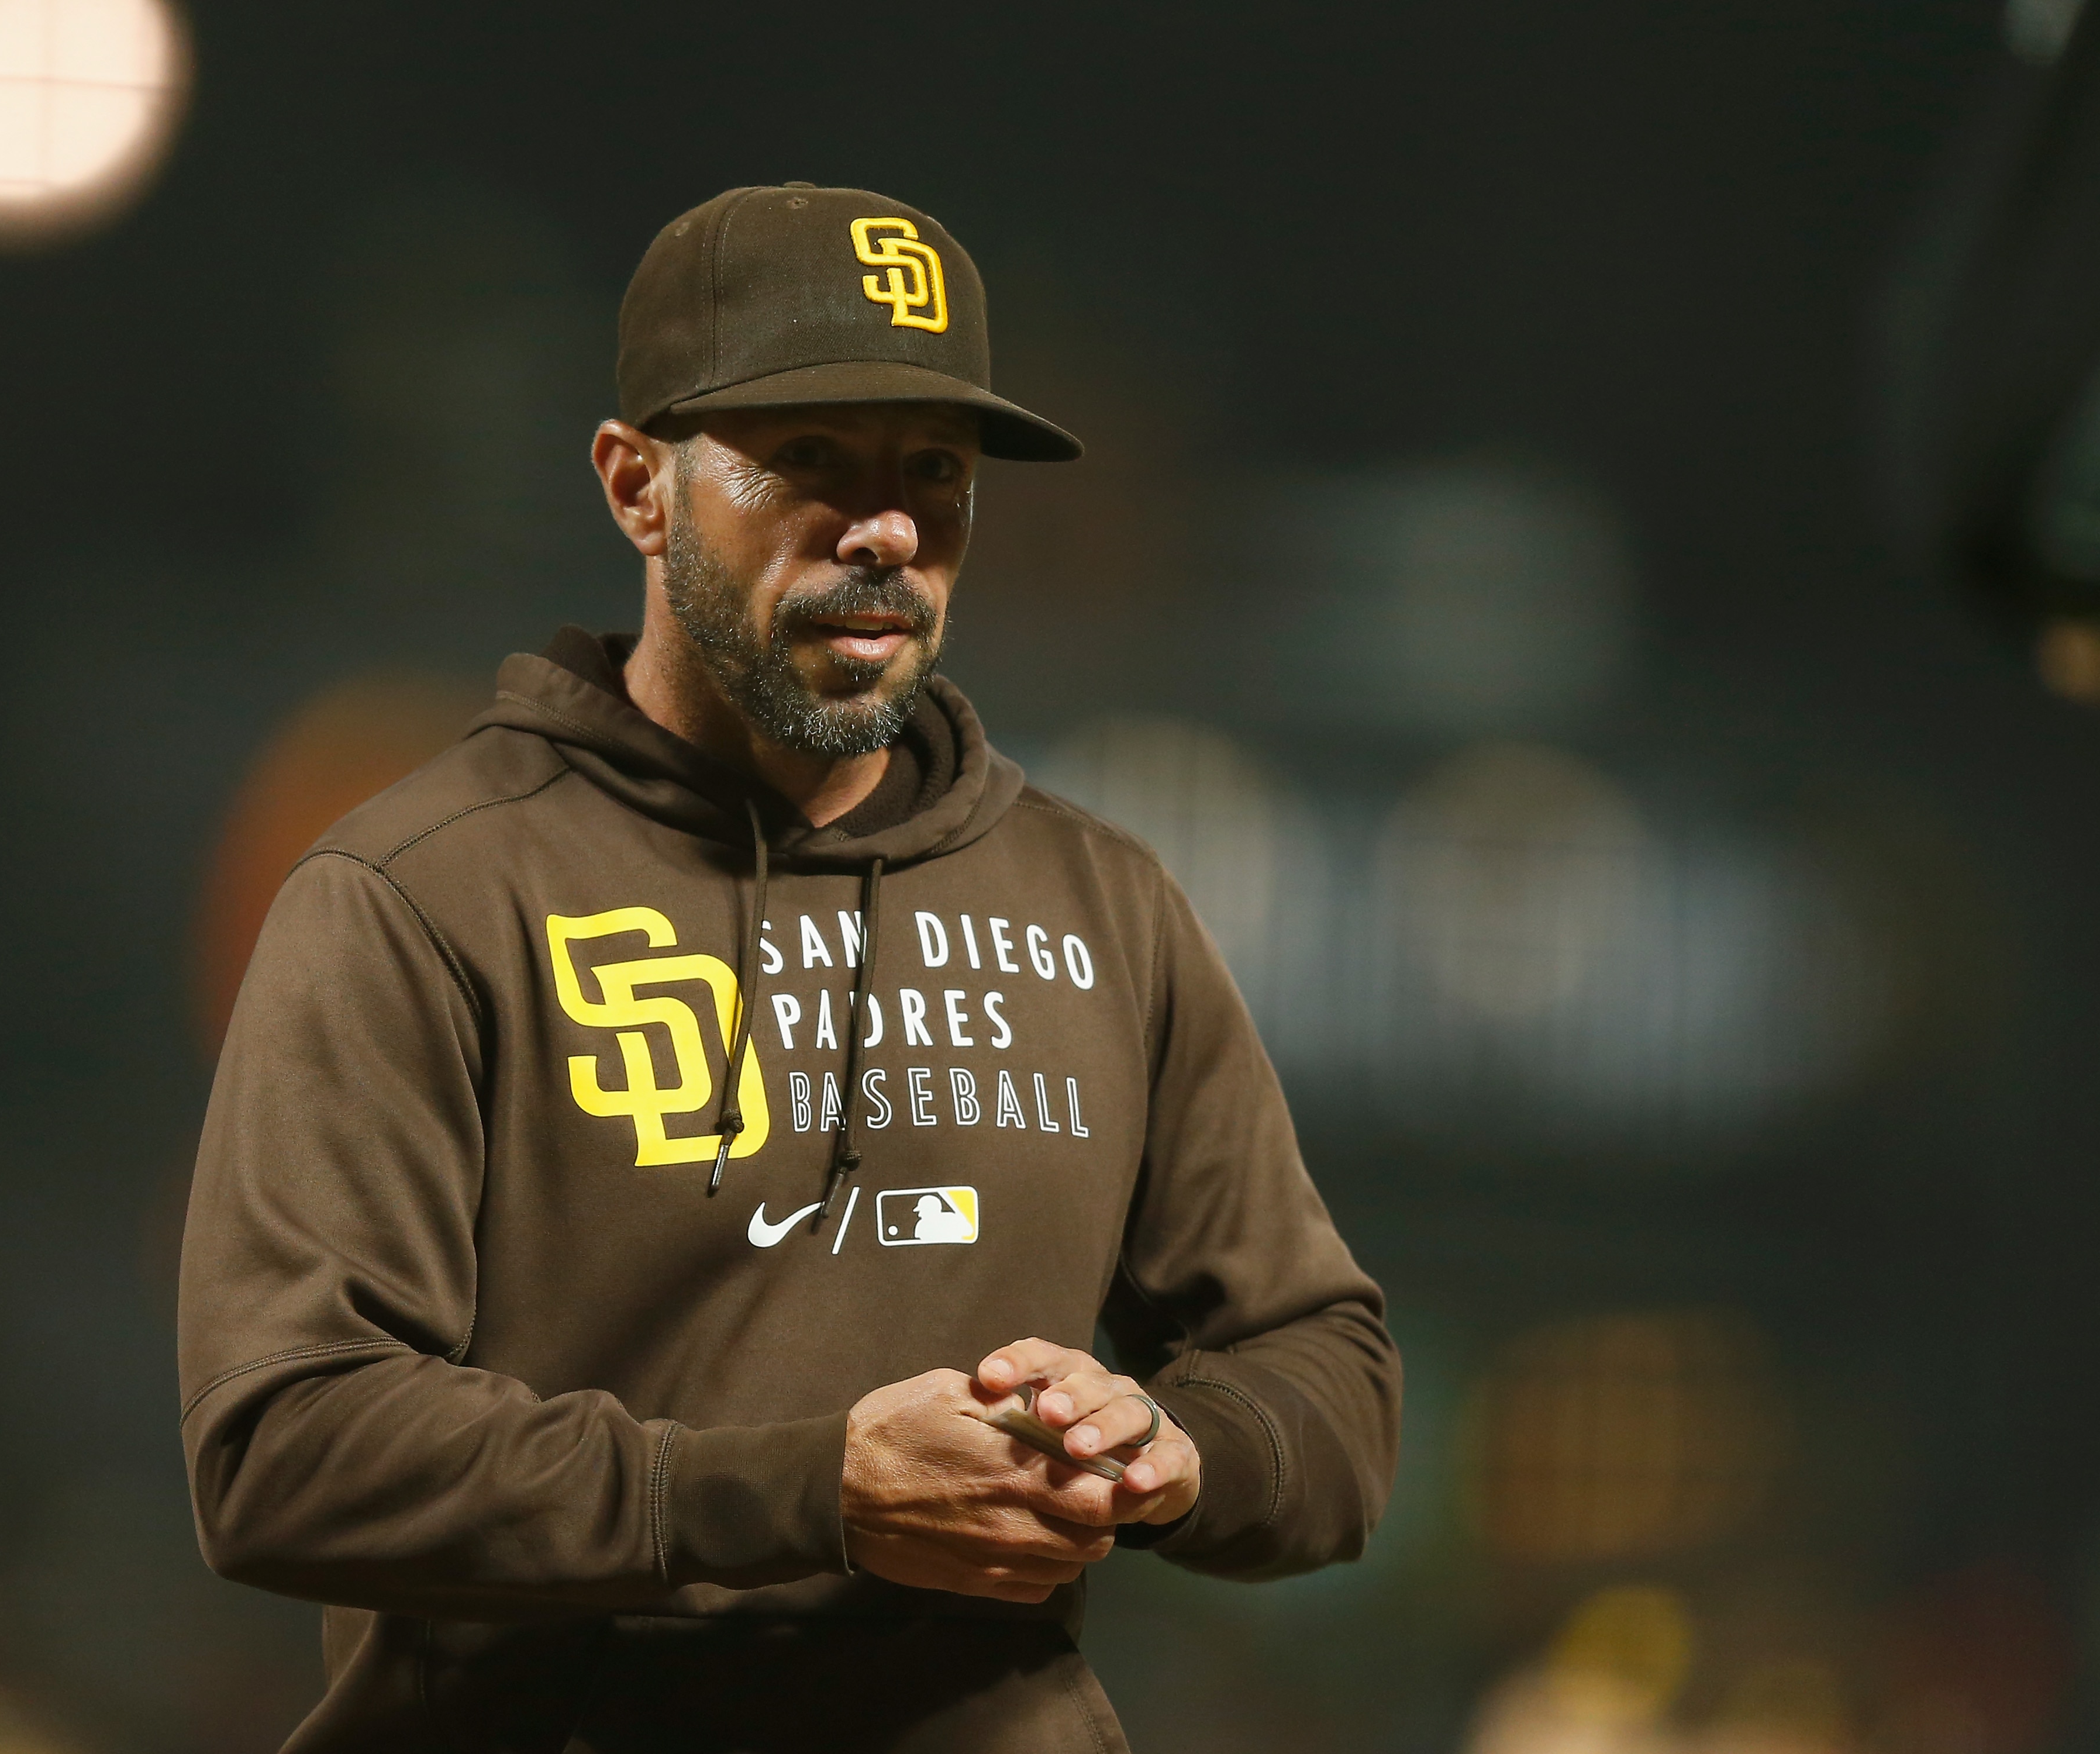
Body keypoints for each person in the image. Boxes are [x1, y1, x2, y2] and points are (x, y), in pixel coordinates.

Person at [178, 182, 1400, 1753]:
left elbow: (1331, 1386)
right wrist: (805, 1491)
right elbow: (286, 1446)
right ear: (638, 486)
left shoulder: (1102, 903)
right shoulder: (425, 894)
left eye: (933, 473)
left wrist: (1175, 1447)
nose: (883, 526)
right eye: (807, 461)